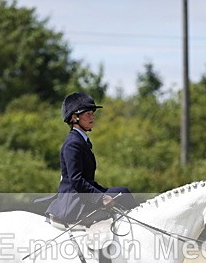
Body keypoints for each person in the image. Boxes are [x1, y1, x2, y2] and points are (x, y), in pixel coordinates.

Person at [44, 92, 137, 226]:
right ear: (75, 117)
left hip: (82, 195)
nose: (93, 117)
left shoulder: (81, 140)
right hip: (73, 201)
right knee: (123, 193)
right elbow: (76, 180)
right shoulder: (73, 143)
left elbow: (88, 180)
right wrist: (101, 197)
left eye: (93, 113)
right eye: (88, 114)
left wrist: (103, 191)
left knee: (122, 192)